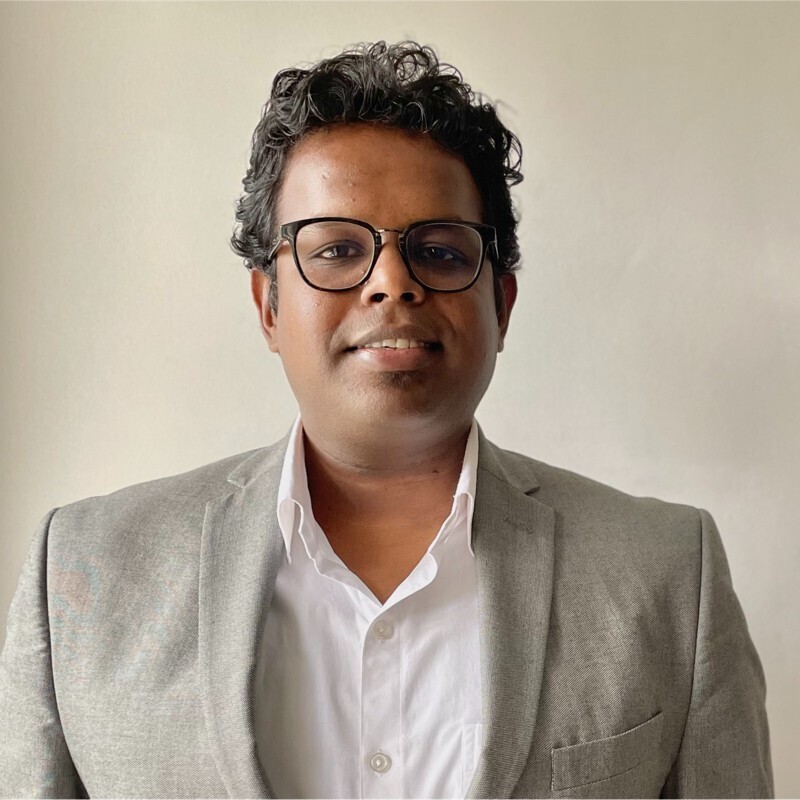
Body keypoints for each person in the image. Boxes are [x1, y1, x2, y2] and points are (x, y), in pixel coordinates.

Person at [0, 41, 773, 799]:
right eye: (337, 249)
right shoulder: (83, 572)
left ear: (501, 306)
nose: (392, 283)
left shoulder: (670, 576)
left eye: (440, 251)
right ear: (269, 306)